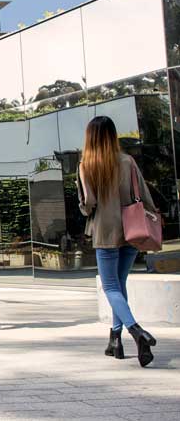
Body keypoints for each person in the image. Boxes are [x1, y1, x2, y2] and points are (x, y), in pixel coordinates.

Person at [78, 116, 158, 367]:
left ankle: (136, 332)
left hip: (105, 231)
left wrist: (84, 206)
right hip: (132, 229)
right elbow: (143, 194)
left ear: (90, 137)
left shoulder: (87, 164)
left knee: (111, 287)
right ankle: (115, 340)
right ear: (113, 135)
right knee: (119, 285)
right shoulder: (128, 161)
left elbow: (88, 203)